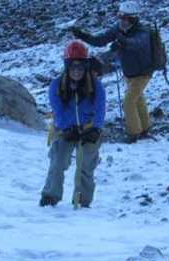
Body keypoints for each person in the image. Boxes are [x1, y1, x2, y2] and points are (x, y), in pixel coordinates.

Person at [70, 1, 153, 144]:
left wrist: (122, 42)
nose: (123, 21)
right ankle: (145, 128)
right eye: (120, 17)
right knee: (138, 99)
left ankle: (134, 134)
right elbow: (99, 40)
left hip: (143, 73)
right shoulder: (118, 29)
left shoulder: (143, 31)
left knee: (128, 102)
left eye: (126, 18)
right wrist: (81, 35)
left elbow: (136, 43)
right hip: (129, 73)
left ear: (134, 18)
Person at [40, 40, 106, 208]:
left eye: (80, 67)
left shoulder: (96, 87)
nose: (76, 71)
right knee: (57, 162)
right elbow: (58, 110)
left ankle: (81, 202)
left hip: (88, 130)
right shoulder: (57, 85)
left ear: (86, 67)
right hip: (65, 130)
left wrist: (96, 129)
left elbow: (100, 109)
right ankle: (50, 197)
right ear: (67, 67)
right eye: (73, 67)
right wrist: (65, 128)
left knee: (85, 167)